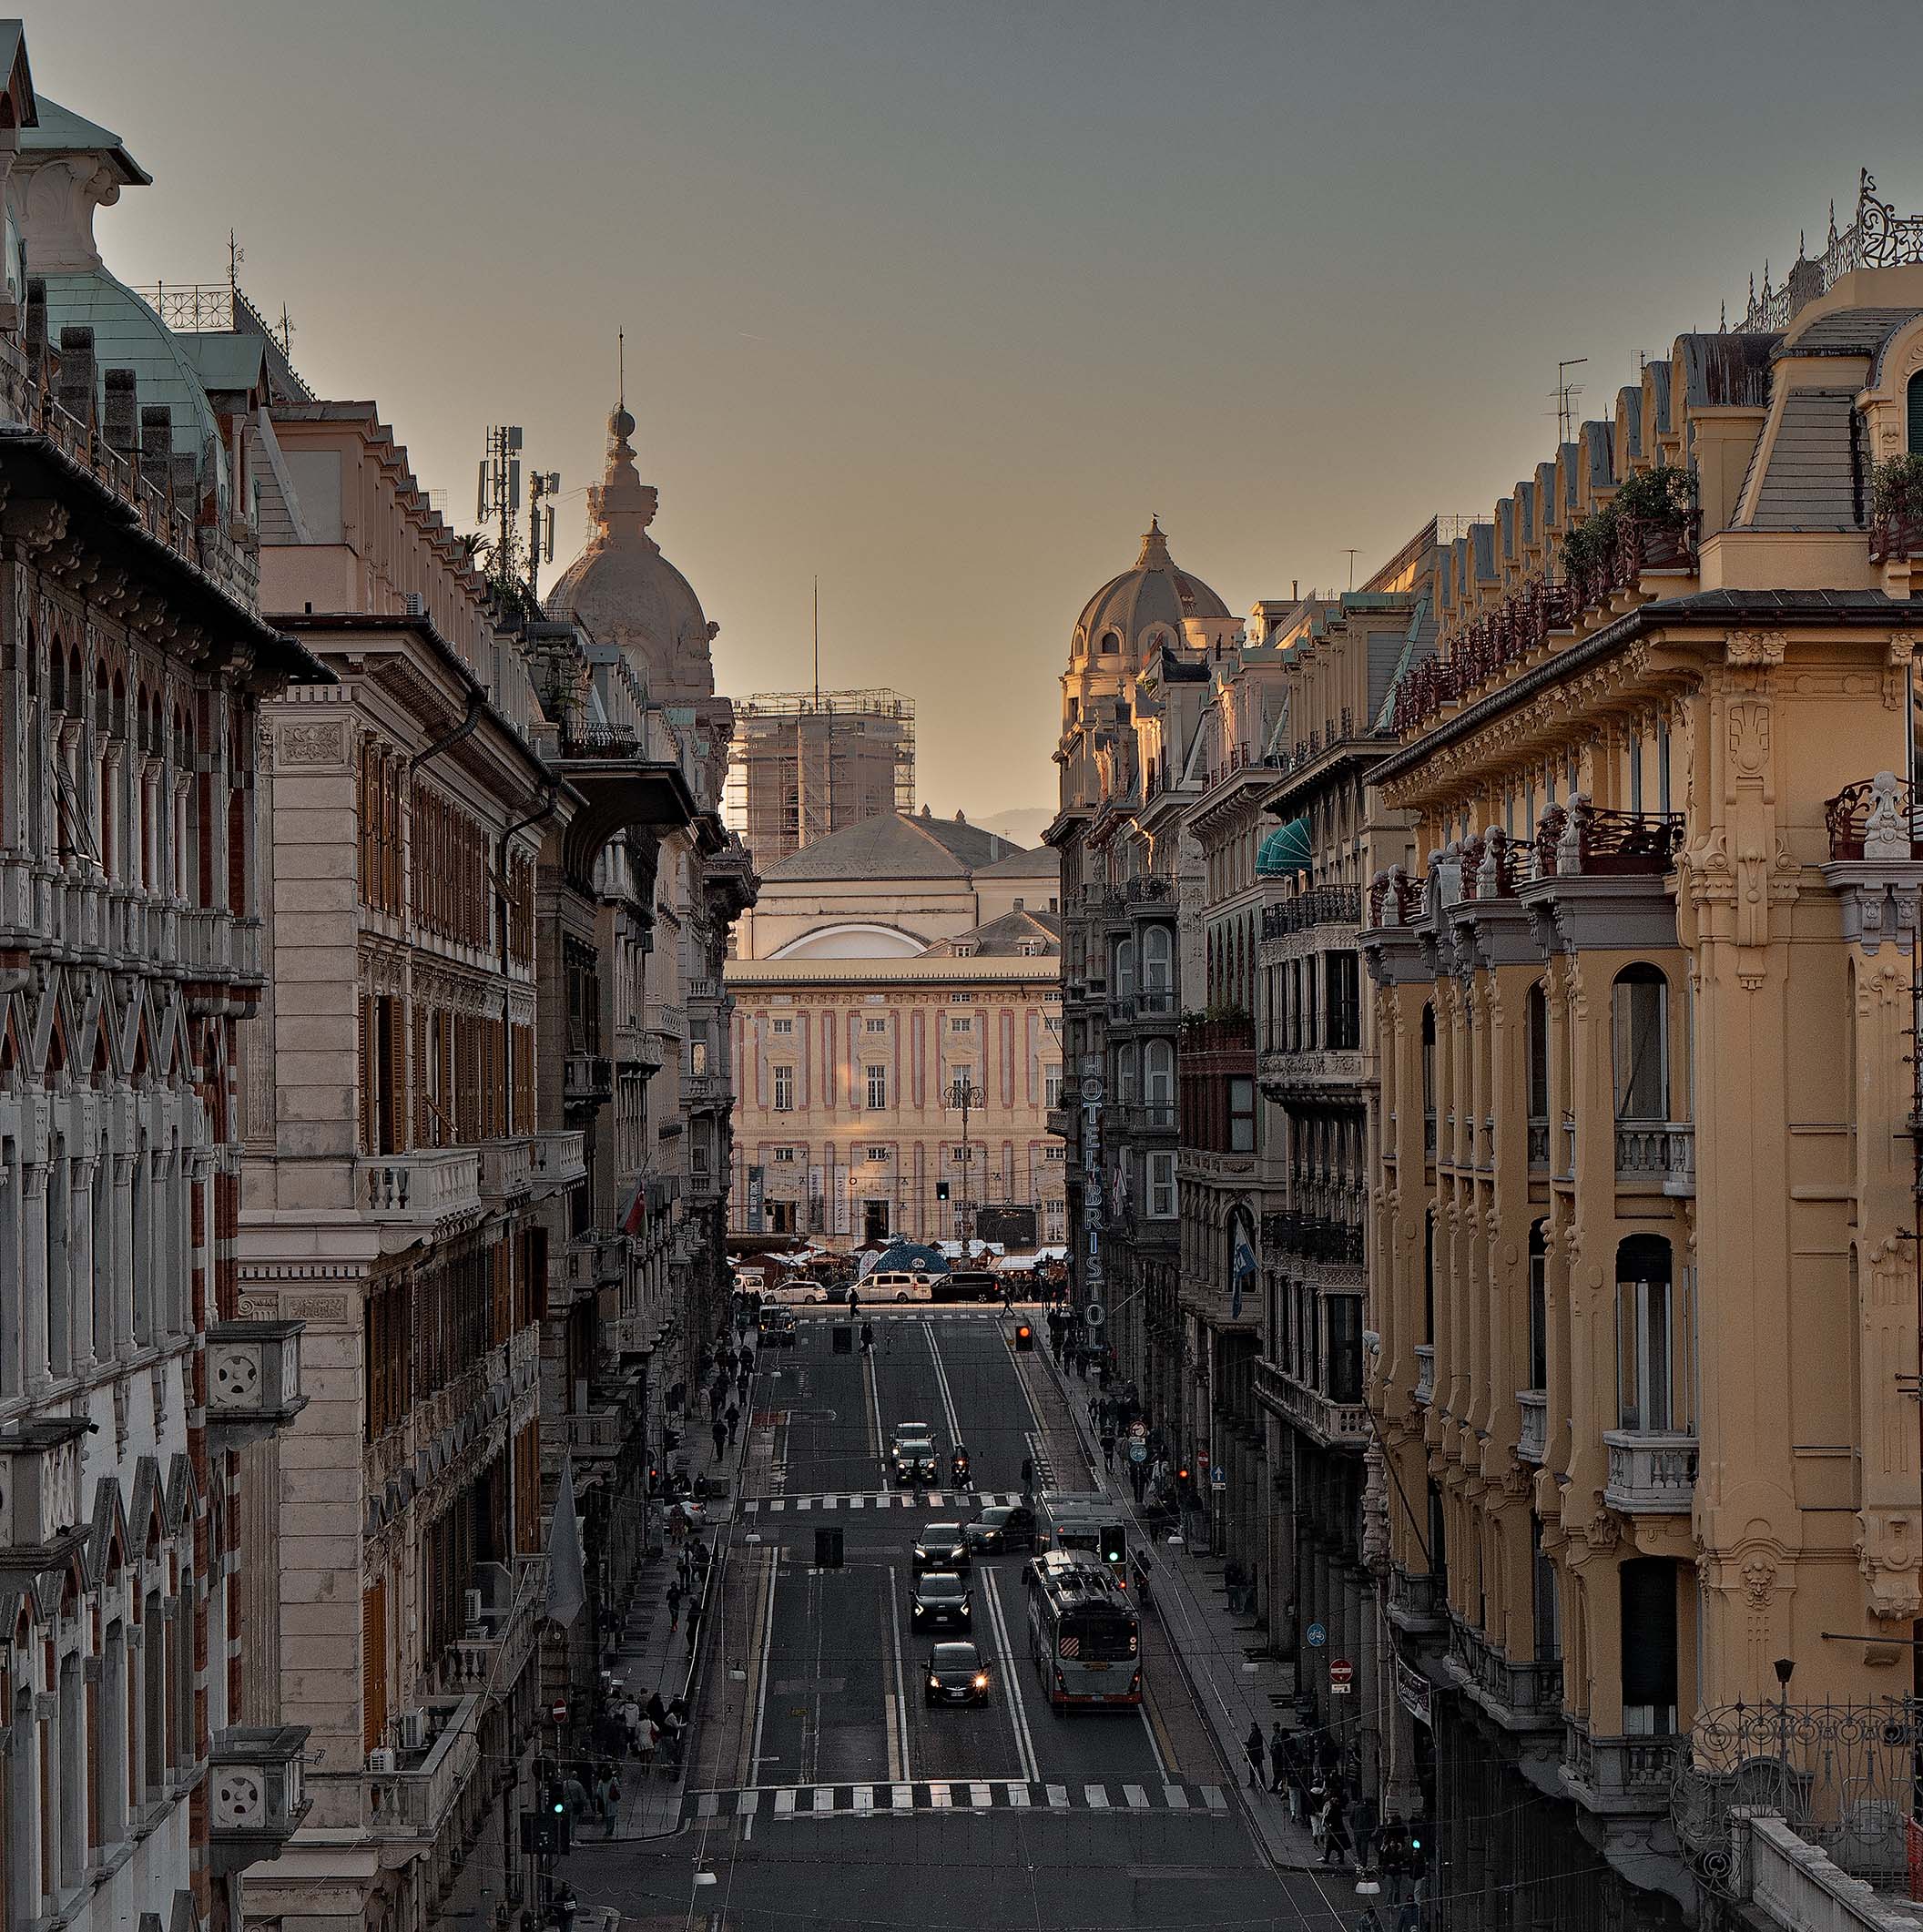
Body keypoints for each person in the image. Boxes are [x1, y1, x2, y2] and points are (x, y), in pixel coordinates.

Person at [595, 1765, 621, 1838]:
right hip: (613, 1800)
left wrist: (603, 1797)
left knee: (607, 1815)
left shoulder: (601, 1781)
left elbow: (598, 1792)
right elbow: (618, 1789)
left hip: (605, 1800)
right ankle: (610, 1830)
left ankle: (608, 1830)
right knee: (612, 1815)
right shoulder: (614, 1779)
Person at [1244, 1721, 1266, 1790]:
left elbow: (1256, 1745)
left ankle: (1262, 1782)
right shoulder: (1252, 1734)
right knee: (1251, 1769)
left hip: (1257, 1755)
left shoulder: (1258, 1735)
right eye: (1251, 1727)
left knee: (1260, 1769)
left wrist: (1247, 1744)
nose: (1251, 1728)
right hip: (1252, 1755)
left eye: (1253, 1727)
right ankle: (1252, 1781)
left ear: (1256, 1727)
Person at [1268, 1720, 1288, 1795]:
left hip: (1278, 1758)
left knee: (1278, 1772)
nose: (1274, 1728)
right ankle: (1276, 1786)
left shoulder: (1280, 1736)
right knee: (1275, 1771)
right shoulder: (1274, 1736)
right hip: (1275, 1757)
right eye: (1274, 1726)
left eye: (1276, 1726)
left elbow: (1279, 1746)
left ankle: (1276, 1786)